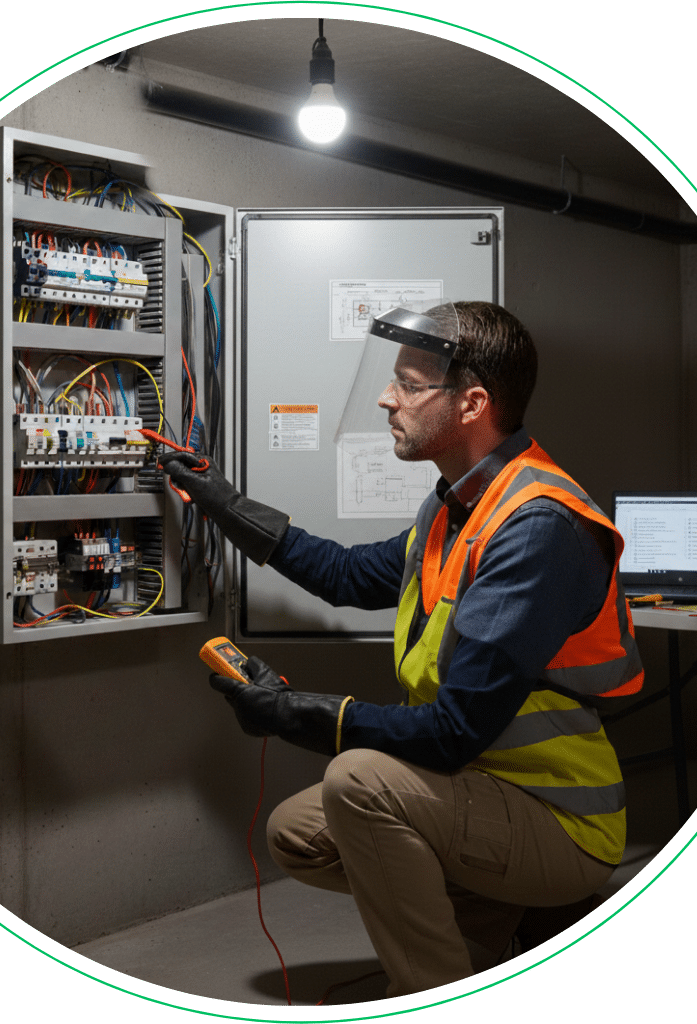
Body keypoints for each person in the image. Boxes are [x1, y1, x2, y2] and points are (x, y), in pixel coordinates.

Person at [160, 300, 643, 999]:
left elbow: (451, 733)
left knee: (359, 783)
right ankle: (504, 913)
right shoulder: (457, 506)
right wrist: (223, 502)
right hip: (478, 787)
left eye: (410, 385)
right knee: (298, 832)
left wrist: (291, 712)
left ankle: (433, 992)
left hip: (560, 817)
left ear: (472, 404)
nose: (387, 398)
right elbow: (346, 574)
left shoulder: (536, 528)